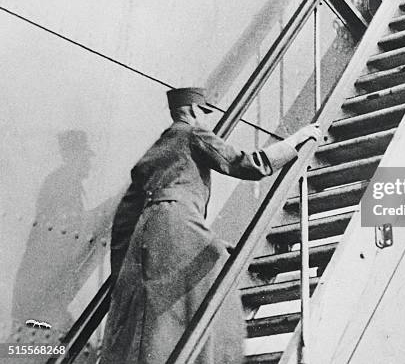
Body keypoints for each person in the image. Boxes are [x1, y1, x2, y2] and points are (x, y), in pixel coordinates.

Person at [100, 87, 321, 364]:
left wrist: (122, 272)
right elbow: (246, 164)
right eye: (204, 114)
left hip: (147, 234)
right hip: (178, 223)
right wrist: (296, 141)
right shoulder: (192, 133)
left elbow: (124, 219)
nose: (205, 120)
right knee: (218, 282)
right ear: (194, 111)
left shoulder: (158, 147)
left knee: (157, 313)